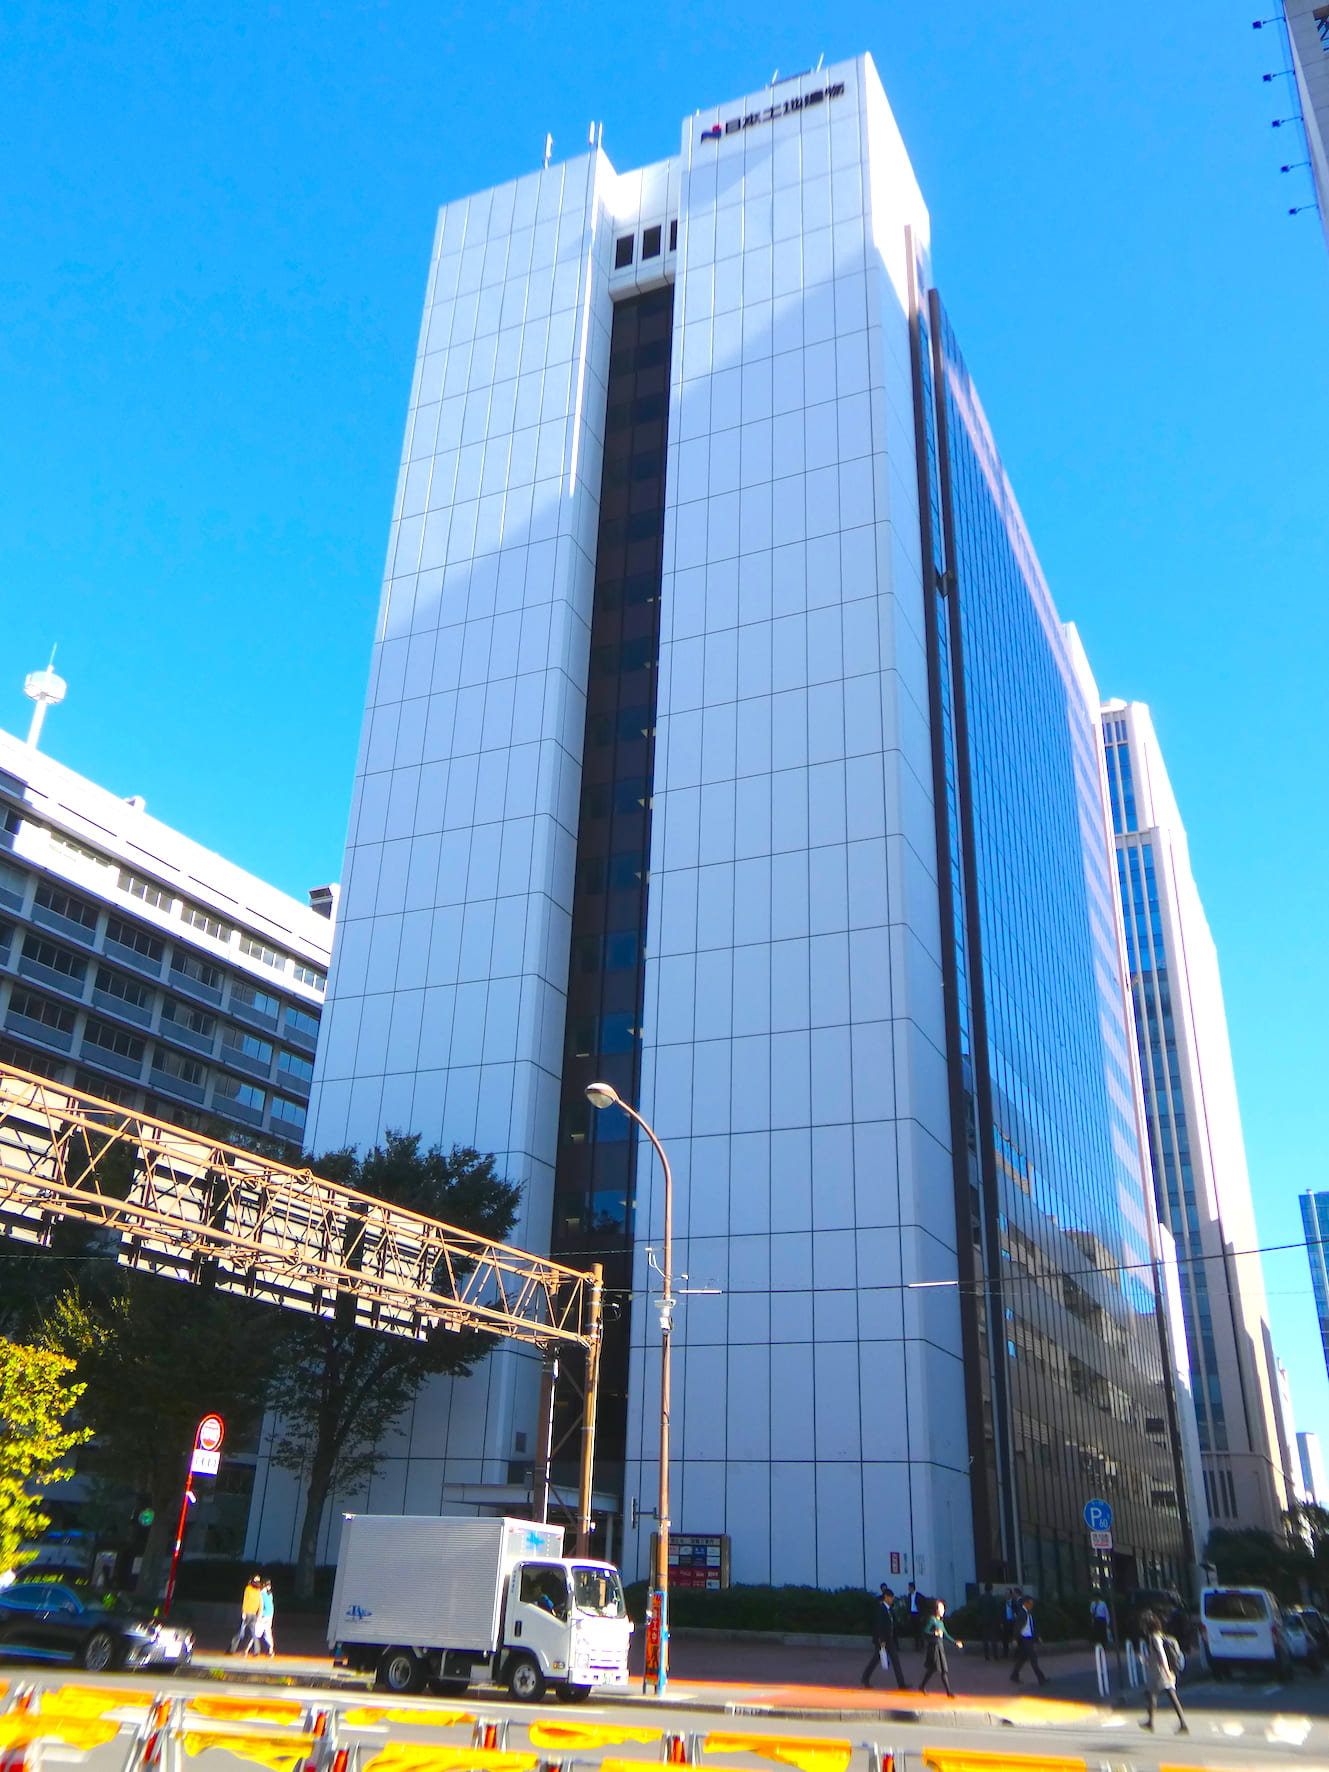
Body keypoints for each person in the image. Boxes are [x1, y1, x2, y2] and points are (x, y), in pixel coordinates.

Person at [1139, 1609, 1187, 1734]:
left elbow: (1161, 1655)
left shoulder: (1154, 1638)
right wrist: (1147, 1659)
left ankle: (1152, 1722)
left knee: (1154, 1694)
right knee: (1167, 1695)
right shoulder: (1158, 1635)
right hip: (1160, 1671)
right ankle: (1181, 1723)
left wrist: (1166, 1671)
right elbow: (1156, 1655)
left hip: (1159, 1672)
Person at [862, 1583, 907, 1689]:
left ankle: (901, 1684)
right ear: (886, 1597)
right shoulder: (881, 1609)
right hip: (883, 1640)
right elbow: (879, 1625)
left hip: (889, 1639)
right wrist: (881, 1639)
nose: (892, 1600)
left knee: (895, 1660)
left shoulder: (889, 1610)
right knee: (876, 1659)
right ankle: (865, 1677)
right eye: (891, 1598)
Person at [919, 1598, 962, 1697]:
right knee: (942, 1669)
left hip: (940, 1647)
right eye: (940, 1608)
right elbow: (925, 1632)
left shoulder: (941, 1622)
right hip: (934, 1648)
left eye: (943, 1608)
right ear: (936, 1609)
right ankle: (949, 1692)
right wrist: (934, 1633)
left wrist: (955, 1642)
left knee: (933, 1669)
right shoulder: (932, 1620)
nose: (942, 1611)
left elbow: (945, 1635)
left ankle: (922, 1686)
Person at [1009, 1596, 1048, 1686]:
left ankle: (1014, 1675)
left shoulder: (1028, 1613)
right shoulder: (1022, 1614)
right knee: (1033, 1658)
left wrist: (1037, 1636)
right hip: (1025, 1639)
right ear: (1025, 1603)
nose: (1032, 1605)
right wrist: (1014, 1639)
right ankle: (1041, 1678)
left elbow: (1032, 1627)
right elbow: (1017, 1627)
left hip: (1028, 1639)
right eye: (1030, 1603)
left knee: (1022, 1658)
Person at [231, 1573, 263, 1655]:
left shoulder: (254, 1589)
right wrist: (244, 1612)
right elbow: (247, 1601)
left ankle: (233, 1649)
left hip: (252, 1614)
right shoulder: (252, 1589)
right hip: (250, 1613)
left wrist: (258, 1613)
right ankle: (256, 1650)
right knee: (246, 1633)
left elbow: (257, 1602)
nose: (257, 1582)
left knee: (246, 1633)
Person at [978, 1584, 1002, 1661]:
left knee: (985, 1639)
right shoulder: (993, 1598)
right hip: (992, 1620)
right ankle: (995, 1655)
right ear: (991, 1589)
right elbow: (995, 1610)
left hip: (984, 1620)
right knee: (993, 1638)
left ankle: (986, 1656)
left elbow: (979, 1610)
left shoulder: (981, 1598)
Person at [254, 1578, 276, 1657]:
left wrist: (259, 1615)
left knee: (256, 1632)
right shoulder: (270, 1593)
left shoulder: (261, 1593)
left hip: (264, 1615)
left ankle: (248, 1650)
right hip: (270, 1615)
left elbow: (262, 1605)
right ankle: (271, 1650)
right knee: (268, 1633)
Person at [1001, 1588, 1020, 1659]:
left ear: (1011, 1595)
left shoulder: (1014, 1603)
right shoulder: (1003, 1603)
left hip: (1013, 1622)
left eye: (1008, 1594)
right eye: (1005, 1594)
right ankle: (1005, 1654)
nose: (1006, 1595)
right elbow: (1001, 1614)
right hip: (1006, 1622)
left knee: (1014, 1638)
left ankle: (1016, 1654)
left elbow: (1017, 1612)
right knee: (1005, 1639)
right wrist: (1001, 1623)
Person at [906, 1582, 925, 1652]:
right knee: (914, 1631)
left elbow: (923, 1604)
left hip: (918, 1614)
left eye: (909, 1588)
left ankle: (921, 1644)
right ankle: (916, 1646)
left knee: (919, 1630)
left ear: (912, 1588)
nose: (908, 1589)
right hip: (912, 1614)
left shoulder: (919, 1595)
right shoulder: (909, 1596)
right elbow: (908, 1604)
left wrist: (922, 1614)